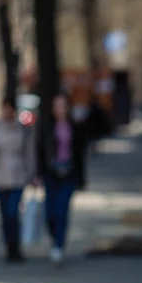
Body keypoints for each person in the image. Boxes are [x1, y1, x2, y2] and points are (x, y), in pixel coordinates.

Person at [38, 93, 87, 265]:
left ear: (67, 107)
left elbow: (80, 155)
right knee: (50, 213)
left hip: (69, 174)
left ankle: (58, 245)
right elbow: (40, 150)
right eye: (56, 105)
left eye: (62, 105)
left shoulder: (74, 127)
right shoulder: (47, 126)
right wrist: (38, 174)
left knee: (62, 210)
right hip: (51, 174)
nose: (59, 109)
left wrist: (82, 179)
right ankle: (54, 237)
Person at [0, 97, 36, 262]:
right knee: (4, 214)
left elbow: (29, 154)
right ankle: (9, 246)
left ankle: (16, 247)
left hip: (17, 175)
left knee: (12, 212)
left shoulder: (22, 129)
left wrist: (32, 174)